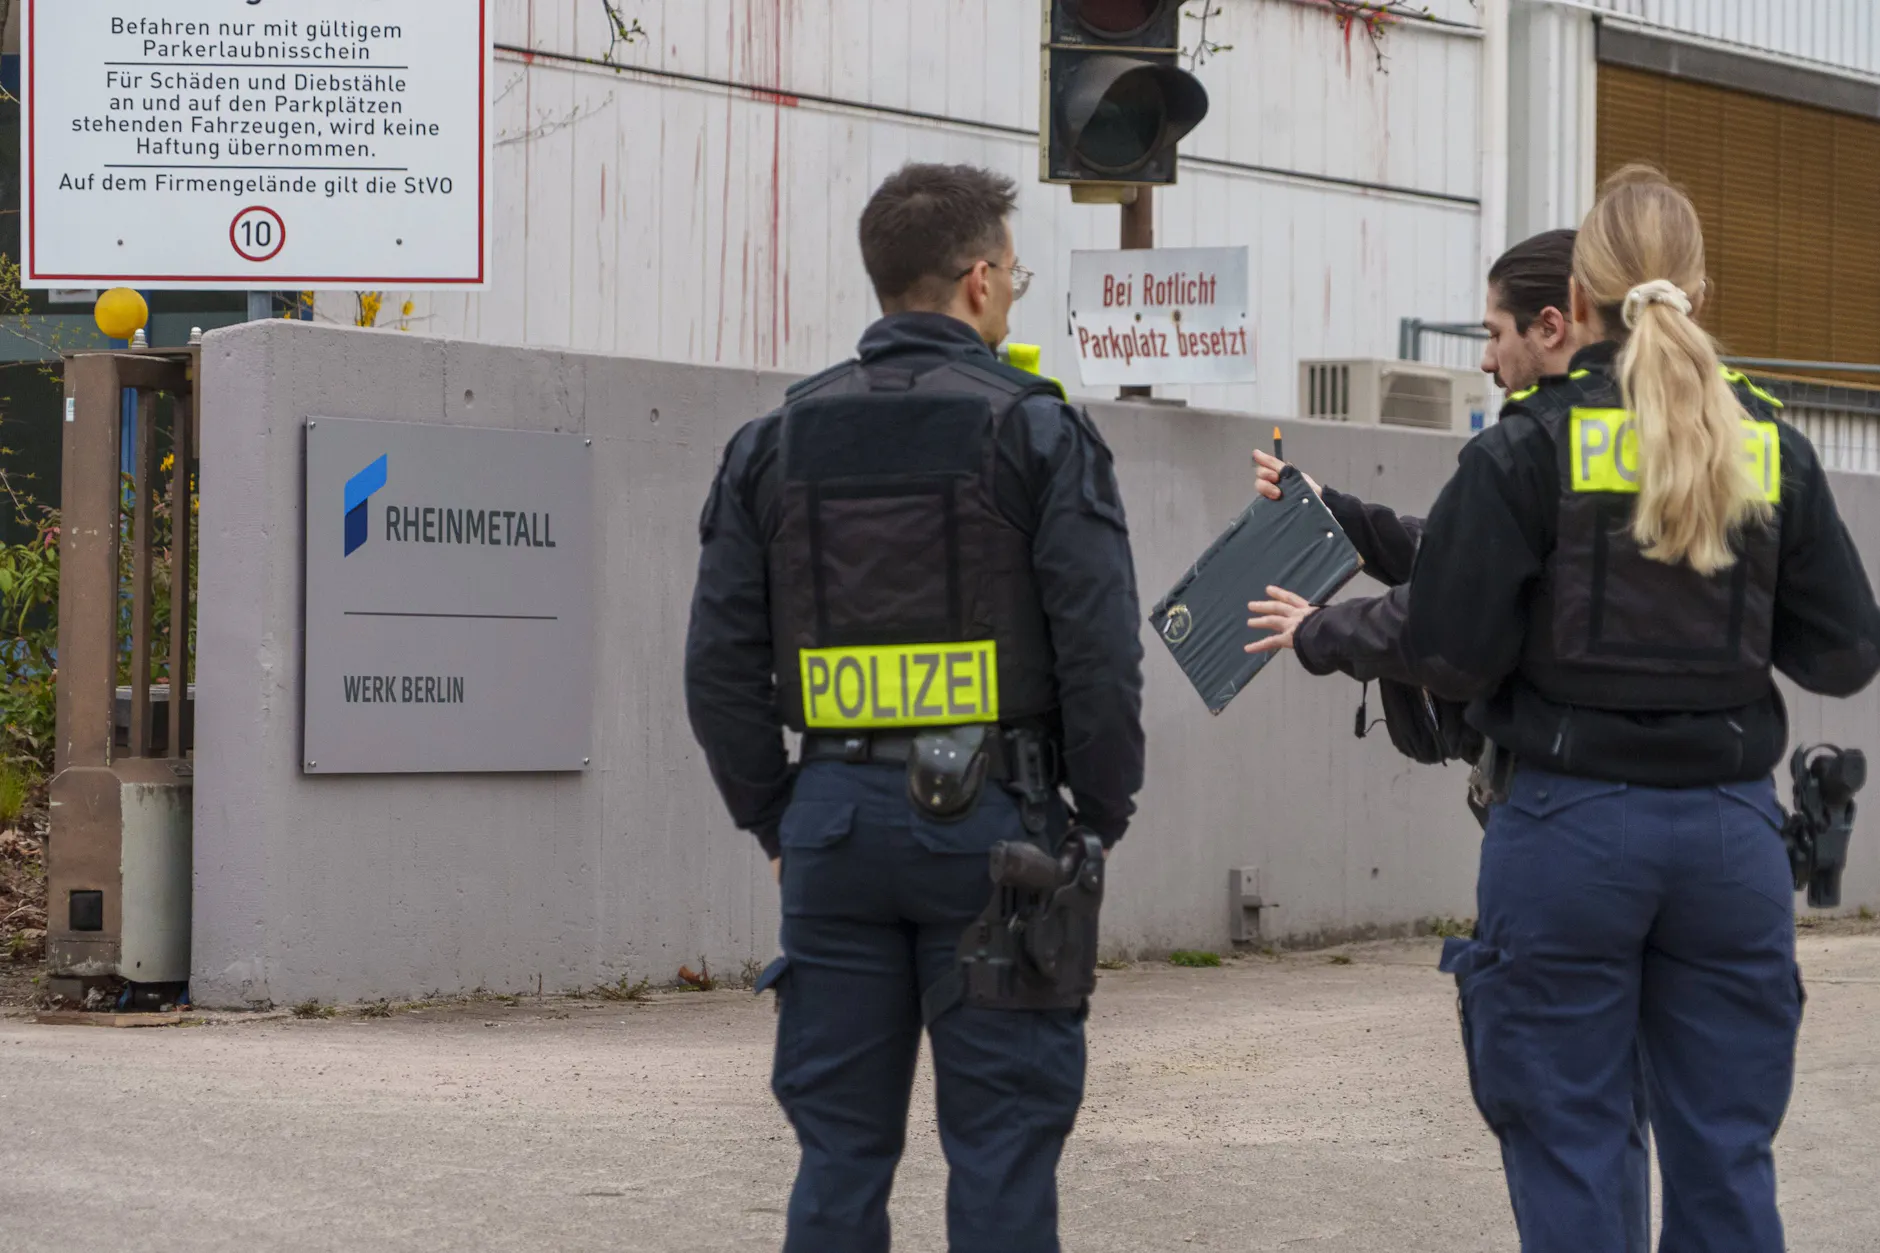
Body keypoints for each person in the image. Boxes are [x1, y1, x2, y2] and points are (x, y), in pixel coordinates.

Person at [1247, 164, 1880, 1250]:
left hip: (1568, 836)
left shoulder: (1525, 445)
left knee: (1572, 1147)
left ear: (1577, 303)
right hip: (1730, 842)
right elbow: (1845, 652)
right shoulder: (1767, 444)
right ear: (1697, 294)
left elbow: (1450, 646)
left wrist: (1321, 634)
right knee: (1725, 1158)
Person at [683, 162, 1146, 1253]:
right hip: (999, 833)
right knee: (1001, 1147)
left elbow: (717, 668)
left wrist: (777, 820)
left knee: (838, 1153)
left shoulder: (773, 442)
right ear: (979, 279)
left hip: (833, 825)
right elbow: (1098, 650)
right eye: (1015, 274)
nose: (1012, 291)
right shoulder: (1038, 432)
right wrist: (1098, 814)